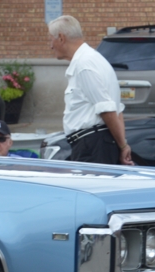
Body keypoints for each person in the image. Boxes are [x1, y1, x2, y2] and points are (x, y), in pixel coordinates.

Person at [48, 15, 133, 165]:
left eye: (51, 39)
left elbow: (107, 110)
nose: (51, 46)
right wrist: (122, 144)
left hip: (92, 146)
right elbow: (117, 109)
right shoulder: (95, 59)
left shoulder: (84, 65)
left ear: (61, 38)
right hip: (97, 143)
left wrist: (123, 146)